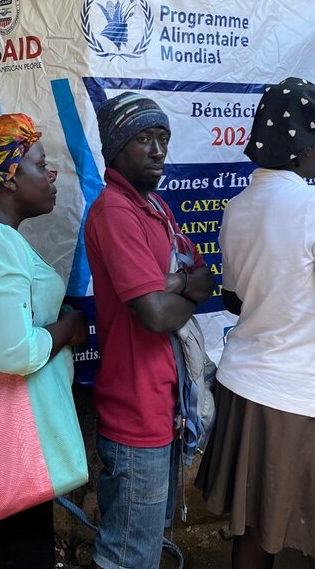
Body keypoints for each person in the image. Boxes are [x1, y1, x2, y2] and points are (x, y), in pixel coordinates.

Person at [196, 78, 315, 569]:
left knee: (253, 528)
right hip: (299, 396)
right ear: (308, 147)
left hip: (244, 384)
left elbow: (233, 298)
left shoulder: (237, 206)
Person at [0, 114, 88, 568]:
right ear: (6, 177)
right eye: (40, 164)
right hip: (7, 440)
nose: (51, 175)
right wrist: (69, 326)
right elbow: (13, 353)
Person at [84, 92, 214, 569]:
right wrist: (184, 287)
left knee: (144, 541)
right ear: (117, 147)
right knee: (127, 554)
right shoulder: (116, 212)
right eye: (144, 139)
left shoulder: (153, 207)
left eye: (163, 137)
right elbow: (155, 314)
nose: (158, 150)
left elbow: (205, 278)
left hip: (165, 403)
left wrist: (177, 284)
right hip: (136, 410)